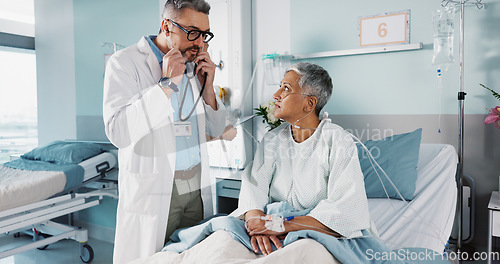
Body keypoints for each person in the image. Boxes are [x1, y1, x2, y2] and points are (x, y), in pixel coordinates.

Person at [102, 0, 226, 263]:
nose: (199, 42)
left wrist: (208, 88)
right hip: (157, 190)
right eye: (192, 32)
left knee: (194, 257)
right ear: (166, 27)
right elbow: (118, 132)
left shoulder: (195, 68)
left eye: (204, 34)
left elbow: (216, 130)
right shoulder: (125, 62)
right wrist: (166, 84)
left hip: (195, 188)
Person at [234, 62, 373, 256]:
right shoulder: (272, 139)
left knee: (303, 252)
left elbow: (345, 209)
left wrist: (280, 225)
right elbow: (254, 186)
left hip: (315, 229)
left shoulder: (337, 140)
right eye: (280, 86)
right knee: (222, 238)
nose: (276, 95)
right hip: (268, 225)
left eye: (286, 88)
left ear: (310, 103)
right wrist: (257, 225)